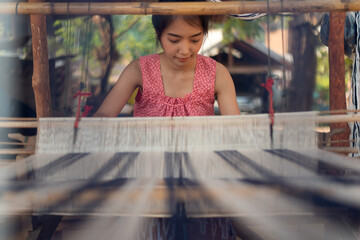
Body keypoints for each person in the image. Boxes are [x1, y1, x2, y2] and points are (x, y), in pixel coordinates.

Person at [93, 14, 240, 117]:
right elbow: (104, 115)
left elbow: (237, 130)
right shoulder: (138, 71)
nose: (184, 50)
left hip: (199, 159)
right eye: (174, 40)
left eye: (195, 40)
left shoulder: (217, 74)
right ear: (159, 34)